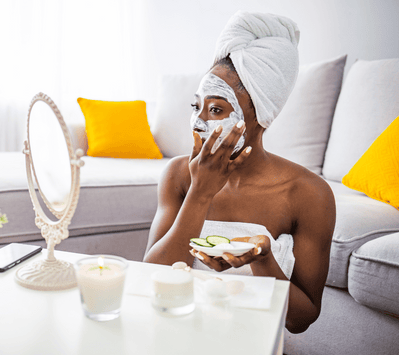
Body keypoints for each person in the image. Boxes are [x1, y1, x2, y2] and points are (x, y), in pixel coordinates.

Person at [143, 11, 336, 334]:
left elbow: (301, 319)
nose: (198, 123)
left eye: (216, 109)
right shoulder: (178, 175)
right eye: (196, 107)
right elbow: (149, 277)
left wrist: (262, 258)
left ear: (262, 114)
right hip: (174, 335)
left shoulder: (307, 194)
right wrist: (200, 193)